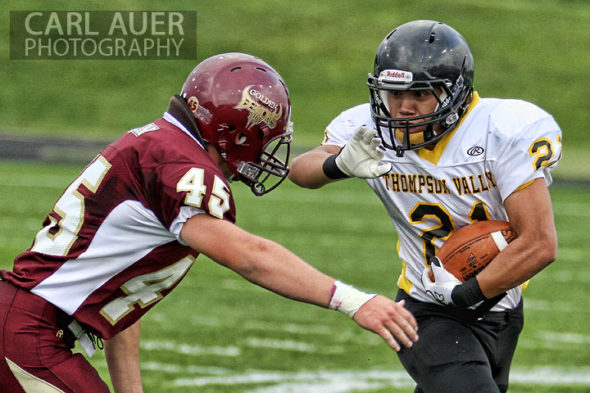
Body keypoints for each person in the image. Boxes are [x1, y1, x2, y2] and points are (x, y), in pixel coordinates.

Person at [0, 52, 419, 393]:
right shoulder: (184, 167)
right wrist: (351, 300)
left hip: (25, 326)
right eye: (262, 138)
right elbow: (249, 256)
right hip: (28, 334)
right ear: (236, 131)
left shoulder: (161, 143)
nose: (261, 153)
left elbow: (119, 290)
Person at [288, 20, 561, 393]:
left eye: (418, 94)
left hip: (499, 305)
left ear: (454, 94)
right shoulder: (369, 129)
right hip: (425, 308)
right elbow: (300, 171)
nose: (402, 108)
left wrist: (466, 294)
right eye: (393, 94)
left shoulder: (502, 131)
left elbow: (539, 244)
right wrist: (337, 164)